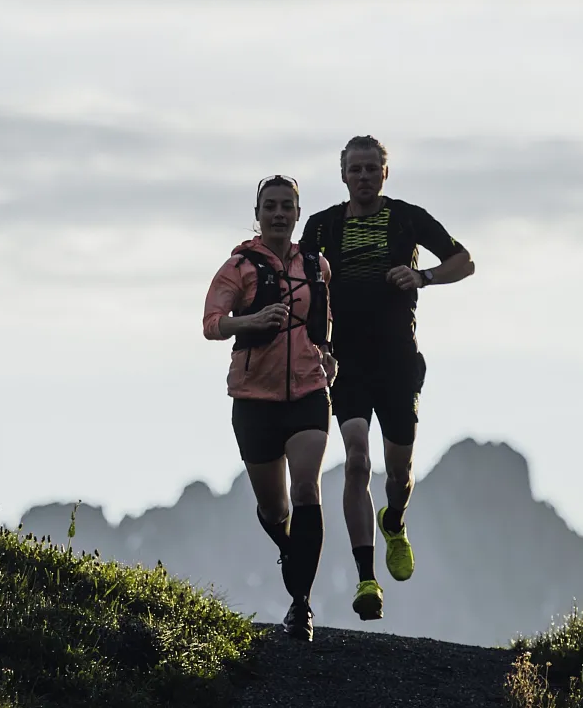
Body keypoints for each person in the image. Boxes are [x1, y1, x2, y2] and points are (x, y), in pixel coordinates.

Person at [299, 136, 473, 621]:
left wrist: (424, 278)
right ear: (343, 175)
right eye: (355, 169)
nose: (364, 176)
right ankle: (366, 579)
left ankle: (393, 520)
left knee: (397, 474)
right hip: (346, 361)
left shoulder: (407, 218)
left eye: (372, 168)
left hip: (397, 360)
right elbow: (298, 283)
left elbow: (465, 260)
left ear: (385, 173)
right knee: (356, 460)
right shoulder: (320, 227)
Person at [202, 174, 337, 641]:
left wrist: (328, 354)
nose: (279, 213)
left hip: (308, 393)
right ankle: (288, 547)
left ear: (298, 214)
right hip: (253, 401)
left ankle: (301, 606)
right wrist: (253, 319)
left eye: (287, 206)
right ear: (257, 214)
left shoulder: (317, 266)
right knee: (275, 506)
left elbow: (322, 321)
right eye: (270, 206)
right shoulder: (237, 267)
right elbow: (211, 324)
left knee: (307, 492)